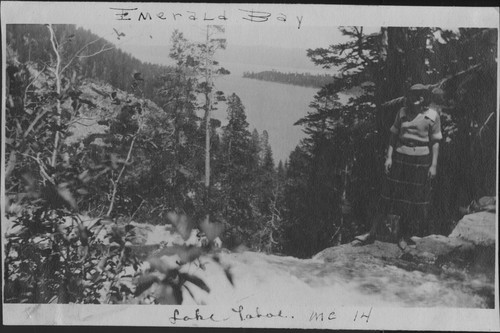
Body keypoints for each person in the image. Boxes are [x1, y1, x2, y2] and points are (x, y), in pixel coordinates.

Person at [353, 84, 442, 250]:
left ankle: (402, 236)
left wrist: (434, 165)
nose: (416, 98)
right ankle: (372, 233)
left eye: (420, 95)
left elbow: (435, 142)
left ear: (425, 98)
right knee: (387, 196)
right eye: (412, 95)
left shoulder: (433, 116)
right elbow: (393, 136)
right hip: (400, 157)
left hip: (420, 161)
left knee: (411, 199)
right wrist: (389, 158)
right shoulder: (402, 113)